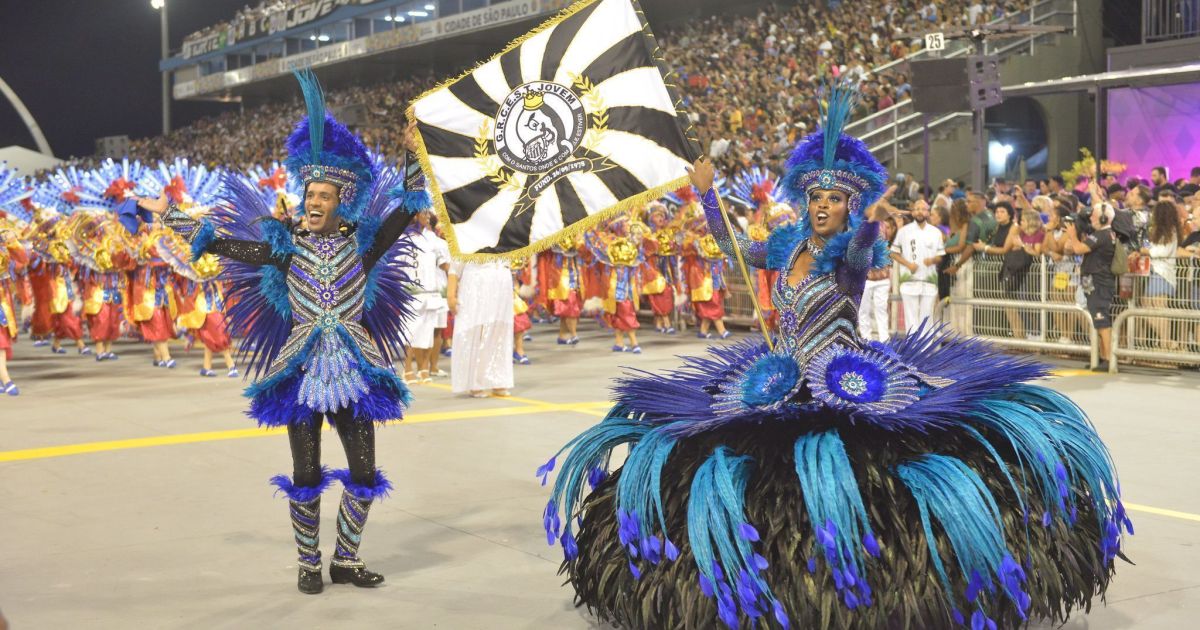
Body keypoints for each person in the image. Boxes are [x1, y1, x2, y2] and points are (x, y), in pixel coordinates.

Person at [538, 84, 1129, 630]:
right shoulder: (785, 245)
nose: (822, 207)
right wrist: (707, 192)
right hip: (780, 374)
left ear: (850, 206)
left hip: (845, 375)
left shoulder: (848, 252)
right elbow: (729, 246)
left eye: (835, 200)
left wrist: (870, 225)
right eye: (816, 197)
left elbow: (864, 253)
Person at [139, 71, 427, 594]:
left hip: (354, 371)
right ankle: (309, 565)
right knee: (306, 474)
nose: (312, 201)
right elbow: (220, 243)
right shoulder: (284, 249)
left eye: (323, 195)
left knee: (365, 474)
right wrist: (171, 217)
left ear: (341, 201)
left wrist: (412, 152)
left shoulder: (362, 248)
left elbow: (406, 209)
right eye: (308, 193)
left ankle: (345, 559)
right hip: (300, 372)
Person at [1063, 193, 1119, 371]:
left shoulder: (1101, 235)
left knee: (1102, 320)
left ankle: (1108, 359)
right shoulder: (1105, 234)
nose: (1091, 219)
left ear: (1103, 218)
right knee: (1098, 320)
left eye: (1094, 216)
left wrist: (1072, 235)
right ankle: (1102, 357)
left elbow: (1079, 248)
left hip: (1099, 281)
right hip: (1096, 280)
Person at [448, 259, 514, 397]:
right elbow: (454, 268)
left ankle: (498, 380)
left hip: (502, 284)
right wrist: (450, 294)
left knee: (500, 330)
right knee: (476, 331)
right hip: (476, 285)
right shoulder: (467, 243)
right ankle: (475, 383)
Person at [405, 208, 451, 384]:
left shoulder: (433, 240)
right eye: (423, 214)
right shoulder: (403, 239)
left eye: (427, 214)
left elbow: (444, 264)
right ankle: (407, 370)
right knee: (410, 332)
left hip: (431, 291)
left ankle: (424, 369)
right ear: (414, 215)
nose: (427, 217)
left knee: (427, 332)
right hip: (411, 292)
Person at [892, 198, 943, 333]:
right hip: (909, 281)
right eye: (917, 209)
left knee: (927, 317)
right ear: (913, 212)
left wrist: (932, 260)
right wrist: (908, 264)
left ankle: (927, 345)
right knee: (911, 318)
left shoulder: (936, 232)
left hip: (929, 281)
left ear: (928, 212)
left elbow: (940, 256)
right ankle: (913, 345)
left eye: (923, 209)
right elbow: (894, 253)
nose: (920, 212)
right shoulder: (904, 231)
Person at [1138, 201, 1183, 351]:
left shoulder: (1170, 231)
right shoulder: (1159, 231)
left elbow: (1161, 252)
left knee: (1159, 308)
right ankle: (1165, 340)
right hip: (1155, 273)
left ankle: (1167, 342)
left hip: (1162, 275)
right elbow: (1149, 246)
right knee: (1147, 305)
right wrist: (1144, 245)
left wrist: (1144, 251)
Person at [859, 214, 896, 341]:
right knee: (863, 309)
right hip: (865, 278)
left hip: (883, 277)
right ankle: (866, 339)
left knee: (881, 309)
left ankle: (884, 339)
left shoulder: (883, 225)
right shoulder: (861, 225)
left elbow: (887, 246)